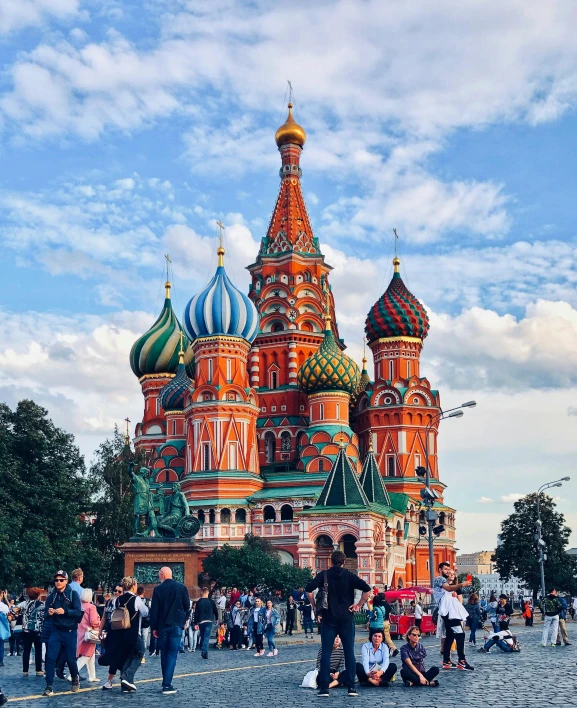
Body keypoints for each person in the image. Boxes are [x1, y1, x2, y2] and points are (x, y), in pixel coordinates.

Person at [306, 549, 371, 697]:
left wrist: (315, 607)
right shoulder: (349, 575)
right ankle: (351, 688)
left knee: (326, 654)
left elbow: (308, 589)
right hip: (346, 619)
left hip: (329, 620)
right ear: (344, 561)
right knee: (349, 653)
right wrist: (358, 605)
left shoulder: (324, 575)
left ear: (331, 561)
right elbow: (367, 590)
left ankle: (324, 689)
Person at [102, 576, 148, 693]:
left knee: (126, 656)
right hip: (133, 633)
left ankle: (126, 685)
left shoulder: (117, 600)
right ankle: (127, 677)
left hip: (120, 632)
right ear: (133, 586)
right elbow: (145, 612)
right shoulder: (136, 599)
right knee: (139, 653)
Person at [150, 566, 190, 694]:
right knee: (172, 654)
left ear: (162, 575)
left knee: (164, 653)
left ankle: (165, 682)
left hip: (162, 626)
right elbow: (187, 606)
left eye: (159, 575)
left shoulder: (158, 589)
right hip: (176, 624)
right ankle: (167, 684)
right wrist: (184, 619)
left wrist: (154, 627)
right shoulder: (181, 587)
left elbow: (154, 610)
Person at [42, 570, 83, 697]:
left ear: (66, 581)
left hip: (70, 631)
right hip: (56, 630)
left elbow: (78, 612)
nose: (58, 582)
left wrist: (64, 611)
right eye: (56, 580)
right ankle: (49, 685)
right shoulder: (51, 596)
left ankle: (75, 677)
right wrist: (48, 613)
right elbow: (45, 615)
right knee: (50, 658)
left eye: (61, 580)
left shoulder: (73, 594)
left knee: (71, 659)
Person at [433, 562, 474, 671]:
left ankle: (446, 660)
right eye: (445, 569)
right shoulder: (439, 579)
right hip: (449, 613)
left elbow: (451, 589)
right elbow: (448, 588)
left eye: (449, 569)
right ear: (440, 569)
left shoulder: (447, 583)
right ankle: (461, 660)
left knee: (450, 635)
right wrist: (462, 584)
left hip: (450, 612)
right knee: (460, 634)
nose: (447, 571)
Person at [73, 588, 100, 683]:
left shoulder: (79, 606)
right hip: (90, 633)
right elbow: (93, 621)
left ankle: (92, 676)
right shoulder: (91, 607)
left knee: (90, 655)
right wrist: (99, 624)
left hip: (80, 632)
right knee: (87, 655)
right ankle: (73, 673)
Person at [19, 588, 45, 676]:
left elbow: (13, 610)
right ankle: (38, 670)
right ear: (38, 595)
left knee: (26, 650)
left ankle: (25, 671)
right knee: (38, 650)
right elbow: (43, 618)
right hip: (37, 630)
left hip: (26, 630)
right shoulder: (42, 605)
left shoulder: (24, 604)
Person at [194, 586, 218, 660]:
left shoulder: (199, 602)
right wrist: (216, 619)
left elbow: (196, 613)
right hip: (209, 620)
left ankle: (203, 649)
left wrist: (196, 623)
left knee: (203, 636)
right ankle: (204, 651)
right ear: (207, 593)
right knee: (206, 637)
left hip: (201, 621)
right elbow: (215, 611)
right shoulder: (211, 602)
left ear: (202, 592)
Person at [137, 586, 151, 662]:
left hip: (137, 623)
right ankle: (143, 655)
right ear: (144, 592)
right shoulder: (148, 601)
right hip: (146, 623)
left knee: (138, 639)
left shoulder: (135, 600)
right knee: (144, 640)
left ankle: (138, 654)